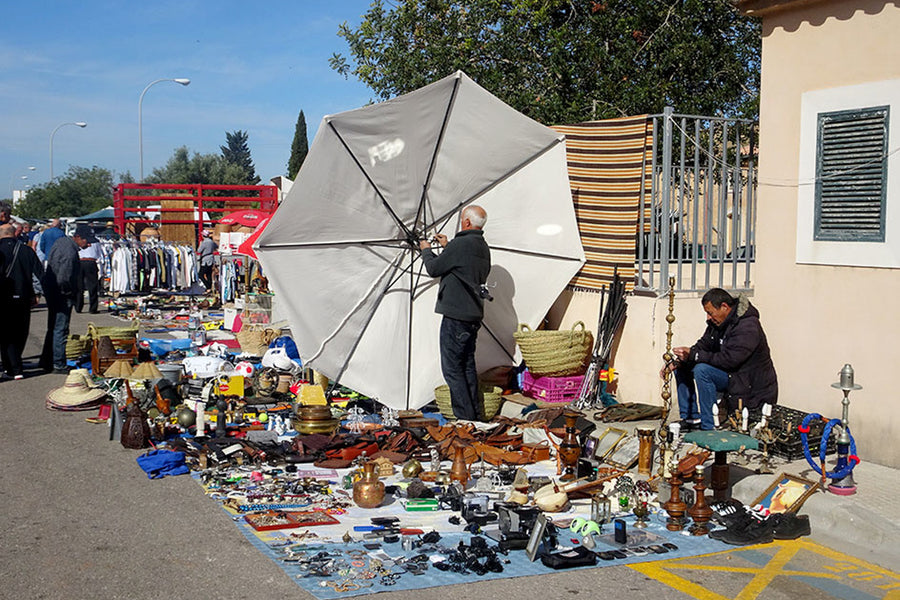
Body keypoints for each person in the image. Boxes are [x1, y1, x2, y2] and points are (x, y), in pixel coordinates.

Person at [661, 288, 777, 431]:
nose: (708, 318)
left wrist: (694, 355)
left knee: (702, 370)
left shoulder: (747, 326)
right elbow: (702, 346)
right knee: (683, 366)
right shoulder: (717, 324)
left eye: (710, 313)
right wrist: (681, 360)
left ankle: (709, 426)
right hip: (731, 375)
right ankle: (691, 418)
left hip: (746, 382)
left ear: (724, 307)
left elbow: (731, 360)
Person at [419, 205, 491, 421]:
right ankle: (475, 418)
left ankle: (464, 419)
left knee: (452, 369)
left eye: (462, 219)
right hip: (473, 315)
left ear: (467, 223)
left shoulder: (461, 244)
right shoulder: (482, 246)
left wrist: (425, 249)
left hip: (456, 316)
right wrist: (447, 246)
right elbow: (464, 266)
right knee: (467, 365)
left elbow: (433, 269)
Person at [40, 223, 96, 374]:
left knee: (53, 327)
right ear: (77, 237)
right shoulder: (69, 251)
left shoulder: (62, 242)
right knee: (61, 328)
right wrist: (69, 292)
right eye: (86, 240)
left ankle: (47, 360)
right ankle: (58, 363)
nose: (89, 244)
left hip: (52, 290)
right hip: (60, 293)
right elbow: (64, 277)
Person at [0, 224, 44, 379]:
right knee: (21, 331)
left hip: (3, 297)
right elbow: (39, 272)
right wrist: (39, 292)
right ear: (14, 234)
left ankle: (11, 367)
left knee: (5, 333)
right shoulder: (26, 250)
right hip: (24, 296)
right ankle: (15, 364)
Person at [76, 235, 102, 314]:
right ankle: (93, 308)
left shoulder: (78, 240)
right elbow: (99, 254)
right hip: (91, 262)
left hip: (80, 261)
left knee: (79, 285)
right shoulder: (96, 241)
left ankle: (78, 307)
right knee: (92, 285)